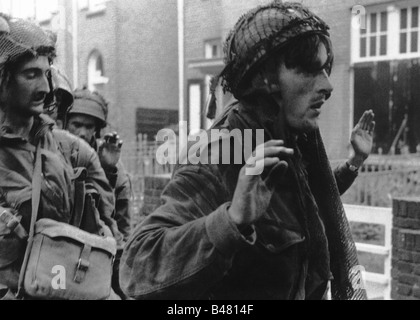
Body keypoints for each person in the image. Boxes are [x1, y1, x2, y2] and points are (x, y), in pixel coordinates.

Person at [120, 2, 376, 300]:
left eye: (324, 69)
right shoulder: (220, 152)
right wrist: (230, 221)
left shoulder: (289, 142)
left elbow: (312, 200)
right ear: (263, 78)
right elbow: (136, 267)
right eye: (309, 69)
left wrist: (353, 163)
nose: (328, 85)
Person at [0, 14, 121, 300]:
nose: (44, 87)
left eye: (46, 73)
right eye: (31, 74)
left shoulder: (63, 147)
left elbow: (99, 227)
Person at [64, 87, 133, 299]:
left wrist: (108, 169)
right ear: (65, 123)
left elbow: (121, 221)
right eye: (76, 124)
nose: (83, 132)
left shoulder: (112, 163)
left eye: (89, 126)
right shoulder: (55, 151)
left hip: (101, 247)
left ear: (97, 130)